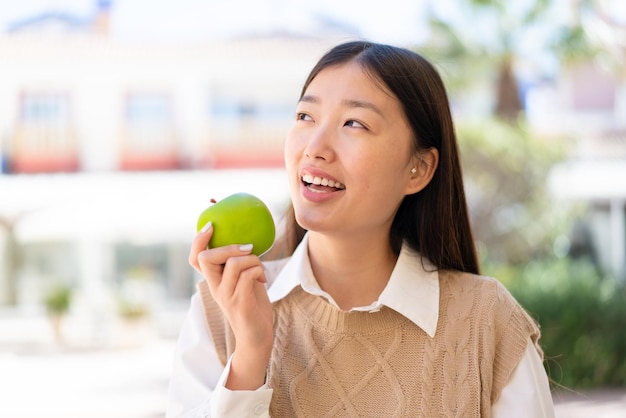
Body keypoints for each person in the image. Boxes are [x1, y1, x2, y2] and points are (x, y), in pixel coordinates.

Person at [166, 40, 555, 417]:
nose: (315, 147)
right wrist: (250, 354)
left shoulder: (486, 323)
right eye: (305, 116)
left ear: (418, 169)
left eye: (354, 123)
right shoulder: (219, 312)